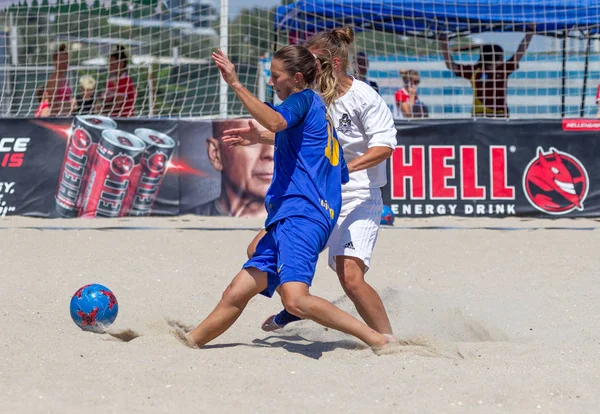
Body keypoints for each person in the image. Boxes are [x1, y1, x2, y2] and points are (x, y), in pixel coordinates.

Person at [181, 45, 393, 352]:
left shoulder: (302, 100)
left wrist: (236, 84)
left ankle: (377, 338)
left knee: (298, 298)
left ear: (295, 78)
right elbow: (306, 147)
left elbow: (278, 122)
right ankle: (189, 342)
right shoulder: (316, 108)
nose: (270, 81)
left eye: (274, 75)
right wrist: (266, 138)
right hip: (291, 215)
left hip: (302, 215)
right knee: (236, 292)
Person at [182, 118, 273, 218]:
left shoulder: (291, 218)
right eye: (251, 141)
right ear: (216, 154)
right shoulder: (189, 220)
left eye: (277, 142)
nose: (270, 154)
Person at [441, 29, 534, 118]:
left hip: (500, 115)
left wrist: (530, 33)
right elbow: (451, 65)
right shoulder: (475, 71)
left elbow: (520, 52)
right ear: (492, 57)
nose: (503, 59)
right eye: (500, 56)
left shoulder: (503, 69)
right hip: (480, 115)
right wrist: (443, 43)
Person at [98, 45, 136, 117]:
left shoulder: (126, 80)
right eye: (108, 64)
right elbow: (105, 102)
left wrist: (101, 110)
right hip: (112, 118)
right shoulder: (110, 81)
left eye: (112, 64)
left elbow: (116, 105)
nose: (109, 67)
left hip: (125, 120)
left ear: (121, 64)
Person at [44, 43, 72, 116]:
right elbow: (52, 105)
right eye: (62, 62)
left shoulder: (65, 79)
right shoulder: (54, 80)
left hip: (67, 116)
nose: (65, 64)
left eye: (66, 62)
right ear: (55, 62)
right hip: (58, 118)